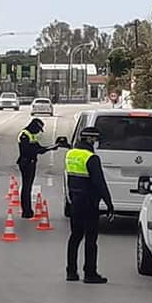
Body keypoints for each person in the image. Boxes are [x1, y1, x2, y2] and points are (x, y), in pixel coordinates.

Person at [64, 126, 114, 283]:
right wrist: (109, 203)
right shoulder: (91, 158)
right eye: (96, 139)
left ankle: (71, 272)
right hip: (90, 203)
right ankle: (90, 273)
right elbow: (99, 183)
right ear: (91, 139)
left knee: (75, 236)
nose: (96, 142)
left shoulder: (70, 154)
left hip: (75, 201)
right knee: (91, 239)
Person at [17, 118, 59, 219]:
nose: (38, 132)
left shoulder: (32, 135)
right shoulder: (24, 135)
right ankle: (26, 211)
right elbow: (28, 151)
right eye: (38, 129)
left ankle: (28, 210)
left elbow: (39, 148)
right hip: (26, 163)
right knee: (26, 187)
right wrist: (43, 149)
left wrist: (51, 147)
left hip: (31, 162)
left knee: (28, 187)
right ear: (34, 126)